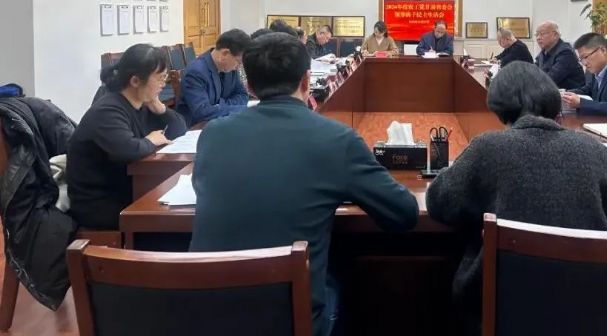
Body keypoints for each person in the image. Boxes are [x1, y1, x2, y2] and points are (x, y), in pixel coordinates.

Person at [190, 33, 419, 336]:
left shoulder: (213, 134)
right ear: (307, 80)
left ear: (249, 87)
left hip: (206, 316)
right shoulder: (336, 139)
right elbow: (404, 213)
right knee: (352, 282)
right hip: (289, 320)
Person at [426, 61, 607, 336]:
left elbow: (439, 203)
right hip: (588, 303)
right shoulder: (591, 148)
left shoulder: (488, 147)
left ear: (498, 106)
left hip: (504, 302)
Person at [67, 44, 187, 229]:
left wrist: (160, 108)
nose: (164, 84)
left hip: (127, 190)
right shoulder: (108, 110)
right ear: (135, 81)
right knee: (172, 221)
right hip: (100, 204)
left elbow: (179, 130)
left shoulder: (141, 103)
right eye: (160, 78)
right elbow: (128, 150)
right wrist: (150, 141)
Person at [176, 29, 251, 126]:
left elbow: (242, 95)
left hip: (222, 122)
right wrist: (239, 108)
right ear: (225, 53)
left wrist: (220, 105)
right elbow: (202, 112)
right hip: (196, 127)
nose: (239, 67)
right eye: (239, 62)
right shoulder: (196, 72)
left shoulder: (230, 68)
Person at [533, 21, 585, 89]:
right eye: (536, 35)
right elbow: (533, 71)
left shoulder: (566, 52)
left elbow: (551, 79)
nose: (538, 38)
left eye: (542, 34)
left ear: (555, 35)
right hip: (551, 91)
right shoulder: (544, 52)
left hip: (571, 93)